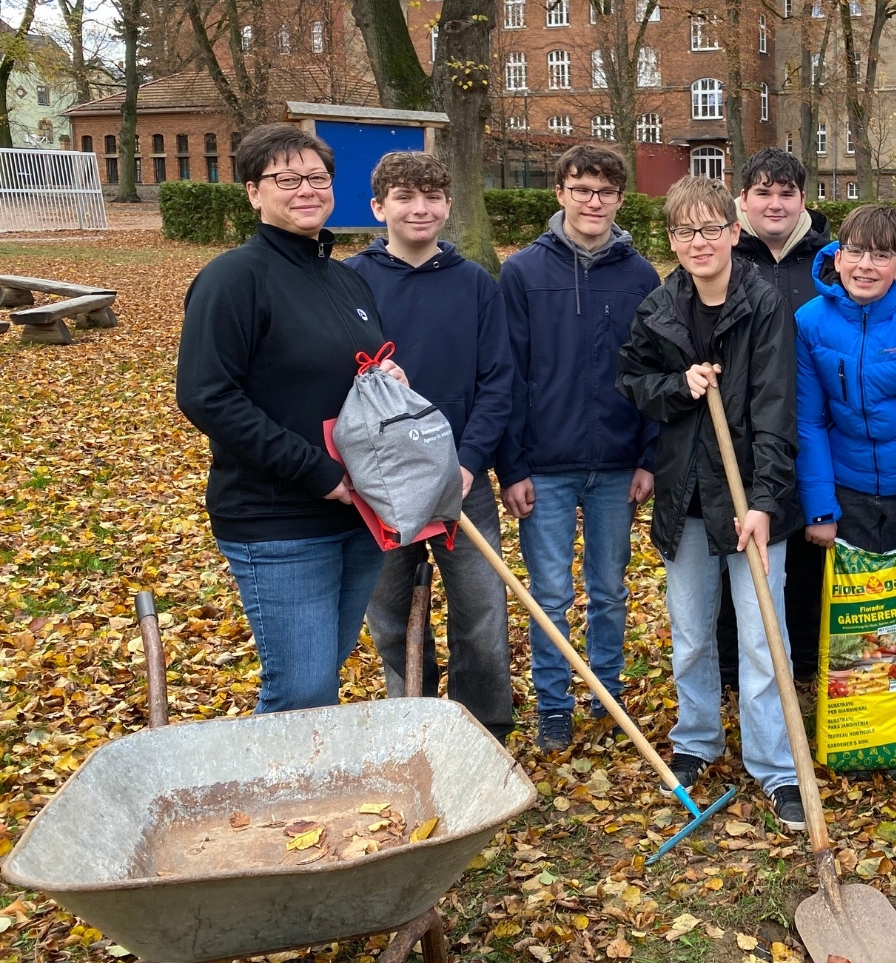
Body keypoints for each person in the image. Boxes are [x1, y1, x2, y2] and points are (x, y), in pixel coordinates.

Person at [176, 123, 408, 713]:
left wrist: (387, 384)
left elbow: (349, 374)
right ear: (254, 192)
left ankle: (296, 798)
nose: (306, 189)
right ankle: (265, 802)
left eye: (317, 178)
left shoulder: (344, 278)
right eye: (287, 179)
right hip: (278, 517)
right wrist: (316, 472)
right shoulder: (234, 279)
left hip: (359, 514)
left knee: (318, 677)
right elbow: (207, 395)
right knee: (301, 690)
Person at [617, 177, 806, 830]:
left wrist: (764, 501)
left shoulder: (762, 305)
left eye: (710, 229)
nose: (698, 242)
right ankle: (697, 740)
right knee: (694, 637)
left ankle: (777, 767)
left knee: (761, 642)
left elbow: (777, 407)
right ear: (671, 239)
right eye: (683, 231)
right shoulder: (660, 307)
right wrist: (678, 383)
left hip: (752, 500)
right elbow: (633, 381)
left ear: (734, 232)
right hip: (686, 498)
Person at [343, 152, 516, 743]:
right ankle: (412, 720)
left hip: (460, 484)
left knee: (482, 611)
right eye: (405, 197)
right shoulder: (352, 282)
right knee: (390, 614)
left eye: (432, 197)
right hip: (383, 487)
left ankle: (482, 727)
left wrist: (467, 465)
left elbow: (499, 381)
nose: (420, 209)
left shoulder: (473, 284)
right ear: (378, 208)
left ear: (448, 205)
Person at [496, 144, 660, 752]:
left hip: (618, 463)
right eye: (581, 189)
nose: (594, 202)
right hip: (546, 464)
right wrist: (511, 464)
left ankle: (608, 693)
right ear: (560, 193)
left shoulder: (640, 275)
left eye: (606, 192)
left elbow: (653, 370)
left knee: (610, 588)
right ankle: (554, 704)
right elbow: (505, 374)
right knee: (551, 596)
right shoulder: (522, 274)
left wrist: (649, 455)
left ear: (620, 199)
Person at [795, 203, 896, 555]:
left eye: (881, 255)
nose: (865, 265)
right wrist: (821, 510)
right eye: (854, 251)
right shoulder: (809, 323)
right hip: (843, 490)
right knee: (847, 608)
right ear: (838, 259)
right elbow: (808, 421)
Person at [727, 149, 831, 685]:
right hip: (743, 428)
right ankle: (735, 664)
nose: (775, 203)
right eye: (763, 193)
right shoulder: (725, 255)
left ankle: (808, 663)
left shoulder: (827, 262)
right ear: (743, 199)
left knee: (812, 540)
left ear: (802, 200)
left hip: (818, 427)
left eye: (786, 193)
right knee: (744, 544)